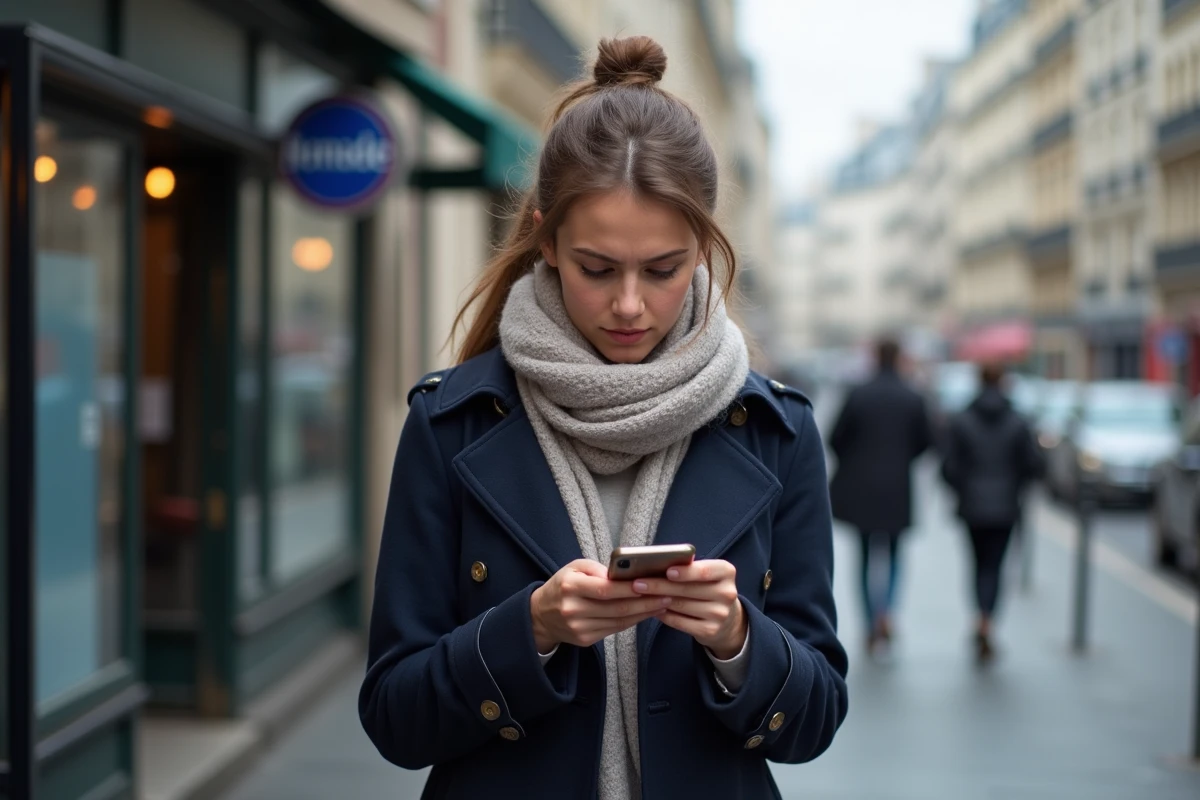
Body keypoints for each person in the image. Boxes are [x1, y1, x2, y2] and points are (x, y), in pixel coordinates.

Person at [358, 36, 848, 800]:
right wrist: (533, 628)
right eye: (596, 268)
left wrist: (738, 639)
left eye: (663, 270)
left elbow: (816, 722)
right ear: (547, 240)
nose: (628, 304)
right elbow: (394, 716)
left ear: (705, 249)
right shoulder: (449, 424)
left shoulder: (776, 432)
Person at [828, 338, 932, 655]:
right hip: (897, 487)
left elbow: (835, 439)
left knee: (863, 557)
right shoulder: (913, 396)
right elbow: (927, 442)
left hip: (860, 488)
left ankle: (870, 621)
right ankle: (886, 610)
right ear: (900, 357)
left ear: (874, 357)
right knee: (895, 555)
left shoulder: (858, 394)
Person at [940, 363, 1044, 663]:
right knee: (995, 567)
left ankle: (980, 618)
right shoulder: (1017, 420)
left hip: (972, 506)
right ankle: (988, 621)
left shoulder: (962, 419)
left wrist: (963, 488)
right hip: (1005, 506)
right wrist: (1016, 484)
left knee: (977, 565)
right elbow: (1034, 465)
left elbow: (949, 467)